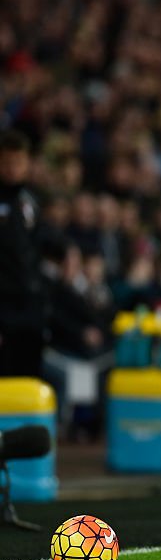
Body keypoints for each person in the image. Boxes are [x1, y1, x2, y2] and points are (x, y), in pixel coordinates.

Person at [0, 130, 46, 378]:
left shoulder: (31, 200)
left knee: (29, 372)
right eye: (7, 162)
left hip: (30, 303)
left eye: (18, 163)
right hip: (3, 305)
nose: (12, 169)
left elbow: (40, 244)